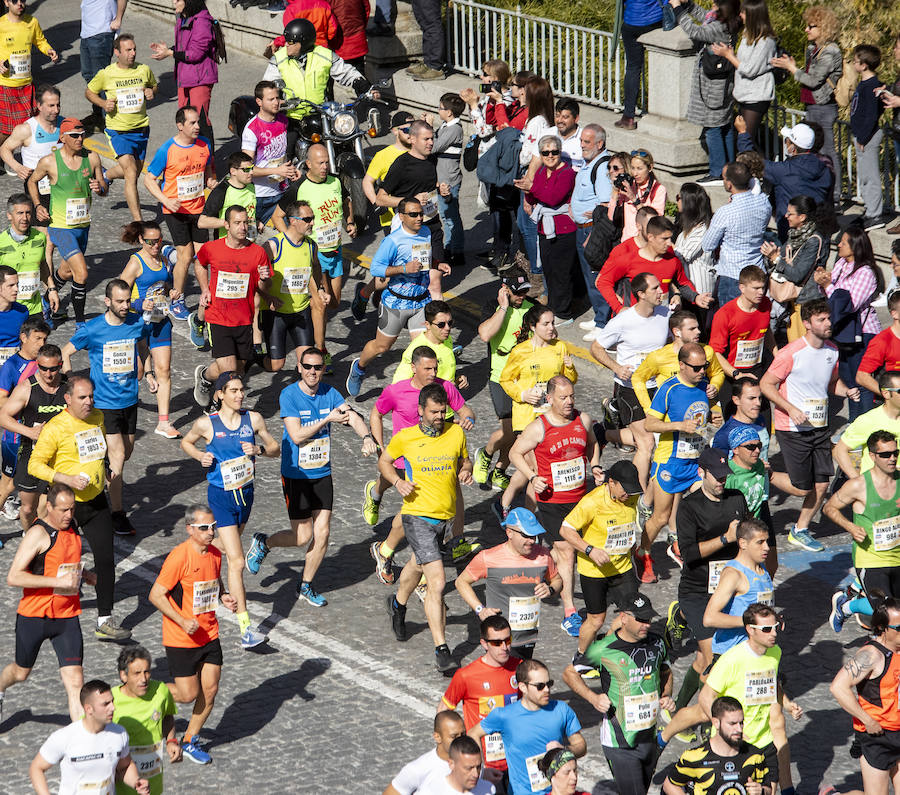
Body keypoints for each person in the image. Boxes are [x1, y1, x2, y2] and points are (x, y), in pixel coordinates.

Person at [245, 347, 377, 605]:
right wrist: (327, 418)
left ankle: (306, 585)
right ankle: (265, 543)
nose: (313, 372)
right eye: (308, 367)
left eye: (318, 367)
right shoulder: (289, 395)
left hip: (322, 472)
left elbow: (351, 416)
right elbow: (296, 435)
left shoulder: (331, 393)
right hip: (296, 473)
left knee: (323, 532)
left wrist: (366, 437)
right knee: (302, 536)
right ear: (299, 367)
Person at [28, 376, 132, 642]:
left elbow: (97, 450)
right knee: (58, 561)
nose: (89, 402)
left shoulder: (97, 417)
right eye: (82, 398)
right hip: (65, 506)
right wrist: (67, 479)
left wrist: (106, 468)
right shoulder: (56, 427)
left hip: (95, 501)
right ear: (68, 399)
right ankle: (43, 609)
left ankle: (104, 620)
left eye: (91, 397)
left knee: (106, 559)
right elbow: (35, 465)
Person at [660, 604, 802, 795]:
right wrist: (726, 727)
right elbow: (706, 696)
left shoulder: (775, 652)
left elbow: (771, 680)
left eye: (775, 627)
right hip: (735, 745)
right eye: (767, 629)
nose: (774, 633)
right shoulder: (732, 660)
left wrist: (786, 702)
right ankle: (661, 738)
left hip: (764, 741)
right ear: (750, 630)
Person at [181, 372, 278, 648]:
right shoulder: (206, 424)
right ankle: (246, 629)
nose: (240, 395)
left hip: (246, 495)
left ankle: (200, 546)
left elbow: (275, 448)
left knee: (224, 547)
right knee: (236, 562)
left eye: (241, 390)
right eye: (233, 390)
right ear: (220, 394)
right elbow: (186, 442)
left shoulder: (254, 419)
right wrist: (201, 456)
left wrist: (258, 449)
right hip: (221, 497)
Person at [383, 383, 473, 674]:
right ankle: (442, 650)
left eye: (442, 410)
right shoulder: (405, 438)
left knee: (416, 564)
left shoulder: (456, 432)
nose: (439, 415)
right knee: (437, 581)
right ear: (420, 411)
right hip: (416, 515)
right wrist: (397, 482)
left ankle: (397, 604)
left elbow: (464, 458)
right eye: (433, 411)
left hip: (443, 519)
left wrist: (467, 467)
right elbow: (385, 461)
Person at [500, 376, 601, 635]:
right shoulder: (539, 427)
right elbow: (514, 453)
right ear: (550, 399)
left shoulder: (583, 420)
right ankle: (570, 612)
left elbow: (592, 444)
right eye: (563, 398)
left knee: (574, 551)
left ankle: (550, 568)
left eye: (571, 397)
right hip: (552, 501)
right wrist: (533, 477)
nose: (569, 402)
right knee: (567, 550)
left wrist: (596, 465)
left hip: (580, 498)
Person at [365, 347, 476, 581]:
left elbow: (467, 411)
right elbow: (376, 414)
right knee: (415, 512)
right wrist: (380, 446)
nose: (433, 372)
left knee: (450, 498)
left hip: (442, 454)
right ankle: (386, 546)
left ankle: (455, 542)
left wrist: (467, 420)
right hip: (408, 459)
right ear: (413, 368)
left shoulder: (444, 388)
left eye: (435, 367)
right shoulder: (396, 391)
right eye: (427, 368)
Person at [760, 298, 860, 552]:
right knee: (801, 487)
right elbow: (766, 384)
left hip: (819, 425)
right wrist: (791, 409)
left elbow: (830, 383)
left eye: (828, 318)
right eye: (821, 320)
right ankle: (765, 474)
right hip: (792, 427)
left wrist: (846, 392)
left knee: (822, 483)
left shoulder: (832, 350)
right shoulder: (790, 352)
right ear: (806, 324)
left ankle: (800, 529)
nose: (828, 323)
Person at [660, 448, 749, 723]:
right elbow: (688, 554)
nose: (722, 482)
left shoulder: (737, 499)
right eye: (717, 477)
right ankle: (709, 719)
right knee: (715, 659)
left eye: (725, 476)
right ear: (702, 473)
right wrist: (725, 538)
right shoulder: (689, 507)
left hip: (729, 589)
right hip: (697, 591)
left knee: (702, 660)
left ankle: (678, 710)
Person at [148, 504, 237, 765]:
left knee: (209, 691)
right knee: (188, 694)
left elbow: (214, 582)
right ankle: (140, 694)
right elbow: (155, 595)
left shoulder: (215, 554)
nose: (210, 532)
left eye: (212, 527)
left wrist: (224, 597)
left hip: (209, 634)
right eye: (204, 528)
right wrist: (181, 620)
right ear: (189, 529)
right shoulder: (179, 557)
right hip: (181, 637)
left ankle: (189, 740)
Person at [62, 279, 151, 537]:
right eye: (120, 302)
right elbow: (66, 352)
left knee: (127, 452)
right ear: (107, 302)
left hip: (130, 401)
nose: (125, 306)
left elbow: (142, 346)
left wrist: (148, 370)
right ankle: (117, 514)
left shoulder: (136, 323)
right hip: (104, 404)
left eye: (127, 301)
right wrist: (74, 383)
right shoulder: (92, 329)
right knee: (119, 456)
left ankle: (97, 470)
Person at [563, 593, 673, 795]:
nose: (646, 624)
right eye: (640, 619)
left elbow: (665, 670)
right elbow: (569, 673)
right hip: (619, 742)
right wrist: (593, 698)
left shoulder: (657, 643)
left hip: (648, 736)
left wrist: (666, 694)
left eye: (648, 619)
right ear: (623, 618)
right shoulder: (603, 648)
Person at [0, 484, 91, 721]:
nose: (68, 515)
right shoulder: (37, 534)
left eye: (72, 509)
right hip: (34, 616)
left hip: (67, 616)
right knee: (21, 673)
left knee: (75, 681)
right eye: (63, 510)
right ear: (48, 506)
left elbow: (65, 561)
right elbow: (13, 577)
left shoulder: (72, 527)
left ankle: (83, 744)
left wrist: (86, 574)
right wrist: (56, 581)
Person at [640, 342, 722, 583]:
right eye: (696, 368)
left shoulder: (705, 388)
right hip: (670, 461)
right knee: (661, 517)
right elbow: (649, 424)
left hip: (695, 460)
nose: (701, 372)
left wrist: (714, 419)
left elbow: (707, 416)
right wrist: (678, 425)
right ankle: (643, 553)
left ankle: (683, 544)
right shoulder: (669, 389)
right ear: (681, 365)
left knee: (707, 505)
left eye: (704, 367)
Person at [346, 197, 434, 399]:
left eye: (421, 213)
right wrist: (404, 268)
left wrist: (438, 263)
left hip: (421, 301)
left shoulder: (426, 233)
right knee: (382, 347)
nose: (419, 217)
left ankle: (419, 394)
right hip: (395, 302)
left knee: (421, 349)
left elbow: (426, 259)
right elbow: (376, 268)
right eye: (413, 214)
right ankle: (359, 368)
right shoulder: (393, 241)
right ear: (401, 216)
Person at [274, 143, 356, 358]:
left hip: (335, 252)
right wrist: (294, 241)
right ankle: (320, 351)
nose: (325, 166)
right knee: (320, 304)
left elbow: (346, 200)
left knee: (333, 303)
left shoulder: (336, 181)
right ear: (308, 164)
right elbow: (277, 216)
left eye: (327, 162)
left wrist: (350, 222)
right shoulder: (299, 187)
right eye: (320, 163)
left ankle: (312, 326)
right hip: (313, 255)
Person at [590, 273, 670, 491]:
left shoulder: (665, 314)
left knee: (653, 436)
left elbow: (671, 342)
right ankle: (640, 494)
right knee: (646, 443)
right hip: (630, 389)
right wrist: (616, 368)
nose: (660, 291)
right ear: (641, 294)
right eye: (654, 288)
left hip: (658, 387)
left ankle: (603, 434)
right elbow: (596, 348)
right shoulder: (623, 321)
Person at [27, 117, 107, 328]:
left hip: (82, 226)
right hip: (60, 227)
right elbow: (32, 181)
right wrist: (38, 206)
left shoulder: (92, 158)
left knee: (66, 271)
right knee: (81, 272)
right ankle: (80, 322)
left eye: (82, 135)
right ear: (62, 138)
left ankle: (45, 300)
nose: (80, 139)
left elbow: (104, 188)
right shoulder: (49, 161)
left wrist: (100, 188)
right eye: (74, 136)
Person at [559, 460, 643, 656]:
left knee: (632, 613)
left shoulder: (630, 496)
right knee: (596, 619)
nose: (628, 495)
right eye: (625, 489)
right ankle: (581, 656)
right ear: (611, 482)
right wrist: (590, 550)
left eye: (632, 490)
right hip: (594, 572)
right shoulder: (592, 502)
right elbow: (565, 529)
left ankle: (603, 650)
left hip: (622, 568)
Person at [191, 206, 272, 408]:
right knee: (229, 376)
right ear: (226, 225)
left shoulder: (257, 253)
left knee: (238, 371)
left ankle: (205, 377)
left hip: (244, 319)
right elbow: (199, 264)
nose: (243, 227)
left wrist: (264, 279)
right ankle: (218, 410)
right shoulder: (212, 248)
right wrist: (204, 289)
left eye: (245, 222)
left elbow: (264, 286)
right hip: (218, 317)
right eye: (237, 223)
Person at [469, 658, 587, 795]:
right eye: (540, 686)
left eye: (549, 684)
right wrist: (481, 770)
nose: (547, 690)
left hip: (558, 790)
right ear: (523, 687)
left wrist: (564, 750)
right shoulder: (504, 716)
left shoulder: (561, 710)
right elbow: (473, 733)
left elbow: (581, 746)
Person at [456, 508, 562, 660]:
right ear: (509, 533)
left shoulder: (543, 555)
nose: (531, 540)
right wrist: (480, 610)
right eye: (526, 535)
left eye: (534, 536)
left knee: (522, 680)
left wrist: (551, 589)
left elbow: (557, 580)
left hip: (528, 636)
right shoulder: (488, 557)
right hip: (499, 638)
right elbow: (461, 582)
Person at [144, 105, 216, 319]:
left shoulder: (205, 145)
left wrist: (210, 180)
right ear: (180, 125)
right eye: (192, 123)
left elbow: (209, 168)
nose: (197, 126)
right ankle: (178, 298)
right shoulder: (167, 149)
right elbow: (149, 179)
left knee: (203, 256)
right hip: (174, 211)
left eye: (198, 122)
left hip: (198, 209)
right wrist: (166, 200)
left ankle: (207, 294)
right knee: (186, 257)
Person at [825, 431, 900, 632]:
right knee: (889, 616)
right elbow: (829, 508)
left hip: (897, 556)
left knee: (897, 608)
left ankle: (847, 605)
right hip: (871, 559)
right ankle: (848, 607)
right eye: (885, 454)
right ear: (873, 456)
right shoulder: (858, 486)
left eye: (895, 453)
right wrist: (850, 527)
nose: (892, 458)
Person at [770, 6, 843, 207]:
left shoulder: (831, 51)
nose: (806, 30)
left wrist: (792, 69)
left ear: (824, 28)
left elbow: (813, 80)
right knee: (815, 152)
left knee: (828, 149)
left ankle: (835, 195)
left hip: (824, 107)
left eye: (811, 26)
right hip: (812, 105)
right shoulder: (813, 49)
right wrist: (794, 66)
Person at [829, 596, 900, 795]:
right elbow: (838, 687)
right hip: (878, 737)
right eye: (899, 628)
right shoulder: (871, 655)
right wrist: (867, 720)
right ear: (882, 628)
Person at [29, 679, 149, 795]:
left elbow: (125, 766)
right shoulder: (65, 737)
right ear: (88, 709)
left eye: (112, 701)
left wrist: (136, 782)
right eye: (105, 704)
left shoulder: (119, 733)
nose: (113, 708)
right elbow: (36, 768)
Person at [85, 33, 158, 222]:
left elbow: (153, 86)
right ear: (117, 52)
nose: (133, 53)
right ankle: (138, 222)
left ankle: (107, 175)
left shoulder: (144, 70)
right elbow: (89, 91)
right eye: (128, 50)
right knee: (131, 173)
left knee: (132, 169)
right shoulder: (107, 73)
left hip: (141, 129)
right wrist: (102, 104)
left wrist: (151, 91)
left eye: (134, 49)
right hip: (118, 131)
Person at [473, 271, 534, 491]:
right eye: (517, 292)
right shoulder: (493, 306)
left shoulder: (532, 307)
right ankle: (486, 452)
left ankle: (500, 470)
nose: (521, 296)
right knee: (509, 430)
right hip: (500, 376)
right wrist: (503, 308)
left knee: (521, 433)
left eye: (525, 291)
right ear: (504, 289)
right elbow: (485, 335)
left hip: (526, 379)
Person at [118, 221, 179, 439]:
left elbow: (167, 285)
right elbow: (118, 293)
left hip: (160, 320)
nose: (155, 245)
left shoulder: (163, 260)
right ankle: (118, 413)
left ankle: (163, 422)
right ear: (142, 240)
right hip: (138, 323)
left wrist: (171, 293)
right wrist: (137, 304)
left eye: (159, 241)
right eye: (151, 241)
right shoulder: (135, 262)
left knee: (165, 369)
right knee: (139, 372)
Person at [439, 614, 521, 777]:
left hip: (516, 759)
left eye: (508, 640)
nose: (504, 647)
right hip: (485, 764)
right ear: (484, 643)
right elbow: (443, 711)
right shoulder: (466, 675)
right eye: (497, 643)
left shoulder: (519, 667)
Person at [670, 0, 742, 184]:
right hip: (723, 83)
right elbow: (705, 17)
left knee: (712, 128)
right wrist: (689, 5)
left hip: (713, 86)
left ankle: (718, 171)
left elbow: (694, 30)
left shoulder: (719, 27)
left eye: (715, 3)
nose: (712, 4)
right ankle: (729, 168)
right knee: (723, 126)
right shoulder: (730, 22)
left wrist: (677, 8)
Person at [816, 226, 884, 419]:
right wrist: (822, 282)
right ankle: (854, 426)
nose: (839, 245)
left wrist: (828, 286)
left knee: (862, 382)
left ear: (855, 246)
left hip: (862, 333)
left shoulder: (866, 272)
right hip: (843, 332)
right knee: (848, 380)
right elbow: (833, 298)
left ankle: (863, 427)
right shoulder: (841, 264)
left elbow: (850, 304)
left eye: (843, 242)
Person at [353, 110, 414, 319]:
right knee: (394, 270)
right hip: (393, 221)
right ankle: (365, 293)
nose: (411, 133)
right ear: (396, 131)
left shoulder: (419, 151)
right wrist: (375, 201)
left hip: (417, 220)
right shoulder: (384, 155)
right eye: (407, 128)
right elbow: (367, 182)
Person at [0, 342, 66, 532]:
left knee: (46, 507)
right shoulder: (27, 388)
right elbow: (3, 416)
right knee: (28, 508)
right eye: (43, 368)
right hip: (31, 454)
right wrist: (29, 432)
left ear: (60, 365)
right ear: (37, 365)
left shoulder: (67, 386)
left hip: (58, 456)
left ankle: (44, 544)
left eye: (53, 369)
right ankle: (30, 535)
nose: (48, 374)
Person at [514, 134, 579, 324]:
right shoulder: (542, 171)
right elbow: (535, 196)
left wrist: (532, 188)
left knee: (561, 272)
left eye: (554, 152)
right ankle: (553, 306)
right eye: (545, 152)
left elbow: (552, 198)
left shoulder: (567, 173)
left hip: (563, 229)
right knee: (549, 270)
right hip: (544, 228)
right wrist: (527, 193)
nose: (550, 155)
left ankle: (564, 313)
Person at [261, 19, 371, 126]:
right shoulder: (279, 58)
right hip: (291, 116)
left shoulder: (325, 55)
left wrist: (361, 83)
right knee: (286, 143)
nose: (286, 45)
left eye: (290, 42)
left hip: (321, 114)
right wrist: (277, 99)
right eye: (286, 41)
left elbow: (346, 71)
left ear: (303, 43)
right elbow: (266, 85)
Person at [736, 119, 832, 242]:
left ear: (793, 147)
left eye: (787, 141)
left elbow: (750, 160)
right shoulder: (824, 169)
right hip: (818, 232)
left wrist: (743, 133)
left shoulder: (785, 171)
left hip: (791, 233)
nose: (785, 143)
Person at [499, 304, 578, 449]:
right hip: (526, 414)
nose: (551, 328)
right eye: (545, 324)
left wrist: (570, 368)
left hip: (551, 413)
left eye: (553, 323)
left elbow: (569, 381)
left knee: (540, 466)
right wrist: (522, 395)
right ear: (533, 327)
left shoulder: (560, 347)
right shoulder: (520, 351)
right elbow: (505, 379)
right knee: (532, 464)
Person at [259, 199, 324, 372]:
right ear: (293, 220)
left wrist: (321, 289)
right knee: (276, 365)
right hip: (276, 313)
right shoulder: (274, 246)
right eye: (308, 219)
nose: (312, 223)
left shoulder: (311, 246)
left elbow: (316, 267)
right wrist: (267, 297)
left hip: (301, 312)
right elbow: (254, 277)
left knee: (307, 362)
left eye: (313, 218)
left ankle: (303, 395)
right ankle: (252, 358)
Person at [663, 696, 775, 795]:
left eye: (741, 723)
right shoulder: (694, 757)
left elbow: (768, 788)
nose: (739, 729)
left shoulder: (755, 756)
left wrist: (762, 791)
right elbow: (669, 785)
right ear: (716, 723)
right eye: (732, 724)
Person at [149, 0, 222, 144]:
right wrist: (168, 50)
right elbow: (185, 46)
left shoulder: (201, 21)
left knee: (199, 121)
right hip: (186, 77)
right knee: (185, 120)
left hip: (200, 78)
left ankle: (208, 162)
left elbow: (195, 53)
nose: (173, 2)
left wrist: (170, 53)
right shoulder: (183, 17)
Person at [760, 194, 831, 340]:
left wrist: (776, 258)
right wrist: (772, 256)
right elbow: (783, 262)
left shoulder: (814, 241)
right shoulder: (794, 235)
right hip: (793, 301)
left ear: (802, 217)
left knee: (803, 345)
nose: (786, 216)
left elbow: (797, 274)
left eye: (790, 213)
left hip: (807, 302)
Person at [112, 646, 181, 795]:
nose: (143, 679)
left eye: (147, 671)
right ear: (123, 676)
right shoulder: (110, 702)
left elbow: (168, 716)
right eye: (136, 673)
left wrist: (171, 741)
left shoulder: (161, 691)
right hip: (121, 787)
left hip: (153, 783)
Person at [702, 163, 772, 306]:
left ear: (729, 185)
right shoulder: (764, 203)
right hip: (757, 271)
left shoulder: (725, 212)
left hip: (732, 276)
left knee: (732, 323)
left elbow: (707, 245)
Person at [0, 313, 49, 519]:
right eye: (37, 338)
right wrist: (23, 408)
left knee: (43, 483)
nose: (42, 343)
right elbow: (1, 400)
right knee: (9, 483)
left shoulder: (45, 364)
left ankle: (38, 527)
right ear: (23, 337)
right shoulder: (11, 366)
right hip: (15, 438)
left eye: (45, 339)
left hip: (41, 437)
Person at [631, 310, 723, 415]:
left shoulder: (707, 351)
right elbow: (637, 378)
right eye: (692, 329)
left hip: (698, 411)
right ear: (676, 332)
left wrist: (715, 385)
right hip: (669, 415)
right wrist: (648, 408)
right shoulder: (659, 357)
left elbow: (717, 372)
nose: (698, 331)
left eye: (697, 327)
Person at [704, 517, 774, 655]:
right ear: (743, 543)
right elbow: (709, 618)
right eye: (760, 542)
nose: (766, 547)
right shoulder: (734, 574)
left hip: (756, 652)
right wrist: (752, 622)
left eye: (767, 541)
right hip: (731, 654)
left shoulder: (761, 568)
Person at [709, 265, 773, 412]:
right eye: (756, 288)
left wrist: (777, 356)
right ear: (742, 288)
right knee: (734, 423)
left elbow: (767, 332)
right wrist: (736, 374)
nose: (761, 292)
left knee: (762, 421)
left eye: (763, 288)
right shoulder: (725, 314)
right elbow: (715, 352)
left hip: (756, 370)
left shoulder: (765, 305)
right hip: (732, 374)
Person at [0, 86, 60, 241]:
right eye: (51, 106)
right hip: (38, 187)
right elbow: (4, 149)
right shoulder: (27, 129)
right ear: (39, 106)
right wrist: (17, 167)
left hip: (62, 185)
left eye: (58, 105)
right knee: (45, 236)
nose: (56, 110)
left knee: (64, 233)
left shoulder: (64, 125)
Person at [710, 0, 775, 142]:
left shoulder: (766, 41)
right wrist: (732, 55)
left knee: (746, 141)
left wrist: (728, 55)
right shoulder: (748, 35)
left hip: (756, 96)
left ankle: (766, 165)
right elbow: (742, 61)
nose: (740, 15)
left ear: (753, 15)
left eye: (744, 12)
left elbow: (750, 69)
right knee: (743, 140)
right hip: (743, 94)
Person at [0, 0, 58, 157]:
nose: (20, 4)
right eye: (14, 1)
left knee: (28, 125)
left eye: (23, 0)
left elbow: (40, 41)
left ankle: (22, 155)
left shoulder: (32, 22)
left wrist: (49, 50)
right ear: (6, 2)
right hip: (6, 84)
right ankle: (3, 153)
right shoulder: (1, 24)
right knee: (6, 129)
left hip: (26, 84)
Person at [572, 124, 613, 338]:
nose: (582, 146)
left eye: (587, 142)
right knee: (589, 276)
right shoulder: (590, 164)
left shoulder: (601, 167)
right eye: (581, 141)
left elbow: (605, 205)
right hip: (583, 229)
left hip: (592, 232)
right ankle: (599, 315)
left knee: (597, 277)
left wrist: (594, 236)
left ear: (600, 143)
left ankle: (603, 323)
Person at [241, 80, 298, 225]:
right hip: (261, 197)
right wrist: (277, 170)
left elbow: (280, 155)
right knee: (250, 237)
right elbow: (246, 169)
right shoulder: (252, 129)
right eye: (271, 99)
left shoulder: (283, 121)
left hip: (282, 192)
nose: (276, 102)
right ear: (259, 102)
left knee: (288, 234)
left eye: (278, 98)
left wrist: (290, 171)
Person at [834, 371, 900, 481]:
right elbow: (839, 450)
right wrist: (858, 482)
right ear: (886, 394)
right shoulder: (869, 420)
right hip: (877, 487)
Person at [382, 710, 466, 795]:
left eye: (463, 734)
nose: (461, 740)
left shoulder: (474, 765)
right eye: (454, 736)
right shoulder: (418, 769)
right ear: (437, 737)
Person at [0, 193, 54, 321]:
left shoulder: (40, 238)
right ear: (9, 215)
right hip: (8, 310)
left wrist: (52, 290)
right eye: (20, 213)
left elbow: (43, 265)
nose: (25, 218)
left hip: (34, 310)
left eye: (28, 213)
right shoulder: (1, 242)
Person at [849, 44, 886, 230]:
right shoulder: (864, 84)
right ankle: (870, 209)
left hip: (867, 137)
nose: (853, 64)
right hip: (861, 135)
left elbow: (872, 115)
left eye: (855, 61)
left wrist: (863, 137)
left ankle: (875, 214)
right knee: (864, 175)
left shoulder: (871, 85)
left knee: (870, 176)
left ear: (864, 65)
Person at [428, 92, 465, 268]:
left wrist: (429, 127)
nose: (438, 110)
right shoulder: (446, 126)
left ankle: (456, 251)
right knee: (445, 214)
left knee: (450, 216)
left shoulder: (454, 129)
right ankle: (450, 247)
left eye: (440, 107)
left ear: (449, 112)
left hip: (448, 179)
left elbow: (434, 147)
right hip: (441, 177)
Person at [615, 0, 663, 131]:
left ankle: (628, 117)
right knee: (660, 65)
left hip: (631, 21)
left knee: (633, 68)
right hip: (655, 21)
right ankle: (661, 113)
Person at [79, 0, 126, 129]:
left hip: (102, 32)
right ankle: (98, 114)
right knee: (89, 75)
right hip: (87, 33)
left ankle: (109, 120)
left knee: (102, 79)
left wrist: (118, 19)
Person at [672, 183, 714, 310]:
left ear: (688, 202)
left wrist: (665, 244)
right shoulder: (688, 227)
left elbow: (683, 255)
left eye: (679, 197)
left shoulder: (703, 230)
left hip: (700, 291)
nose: (677, 200)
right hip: (689, 290)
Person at [199, 151, 258, 240]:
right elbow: (202, 222)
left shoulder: (251, 186)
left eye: (252, 168)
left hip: (249, 244)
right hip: (228, 247)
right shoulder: (221, 191)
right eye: (246, 170)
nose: (251, 172)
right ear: (233, 171)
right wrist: (230, 223)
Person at [857, 293, 900, 400]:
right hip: (891, 406)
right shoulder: (882, 341)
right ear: (894, 314)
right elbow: (861, 376)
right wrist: (889, 396)